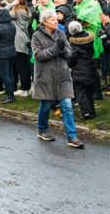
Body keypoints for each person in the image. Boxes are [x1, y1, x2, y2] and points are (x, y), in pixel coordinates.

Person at [31, 8, 83, 148]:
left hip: (63, 75)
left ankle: (72, 136)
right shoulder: (36, 36)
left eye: (56, 19)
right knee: (46, 105)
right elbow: (39, 55)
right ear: (45, 22)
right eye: (53, 19)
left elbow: (69, 52)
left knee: (67, 106)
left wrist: (62, 49)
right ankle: (43, 129)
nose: (56, 21)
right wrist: (55, 48)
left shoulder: (61, 32)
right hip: (45, 76)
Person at [66, 20, 97, 120]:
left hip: (79, 70)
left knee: (81, 92)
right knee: (89, 92)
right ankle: (91, 111)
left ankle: (86, 113)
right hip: (90, 68)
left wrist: (69, 64)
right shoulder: (90, 39)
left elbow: (72, 58)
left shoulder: (73, 43)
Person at [9, 0, 32, 96]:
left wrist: (10, 5)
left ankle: (24, 88)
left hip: (17, 40)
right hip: (24, 39)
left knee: (21, 66)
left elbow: (2, 13)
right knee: (23, 65)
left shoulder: (17, 12)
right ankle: (26, 88)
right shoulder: (26, 11)